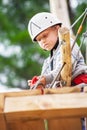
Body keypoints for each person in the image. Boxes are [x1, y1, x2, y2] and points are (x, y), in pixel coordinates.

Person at [27, 12, 87, 89]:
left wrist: (45, 79)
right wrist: (39, 83)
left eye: (45, 36)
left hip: (80, 84)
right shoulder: (47, 62)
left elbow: (63, 67)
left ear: (57, 28)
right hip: (63, 91)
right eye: (39, 40)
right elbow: (48, 82)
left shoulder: (69, 44)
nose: (43, 41)